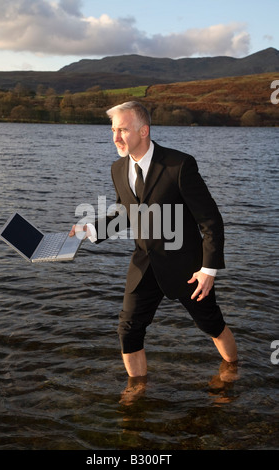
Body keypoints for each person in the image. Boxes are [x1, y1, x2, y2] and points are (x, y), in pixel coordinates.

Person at [69, 101, 238, 381]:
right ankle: (137, 391)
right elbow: (126, 210)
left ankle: (232, 371)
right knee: (129, 329)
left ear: (144, 130)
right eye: (113, 130)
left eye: (122, 129)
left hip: (187, 266)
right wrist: (92, 229)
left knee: (211, 324)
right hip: (144, 262)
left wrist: (209, 270)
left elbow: (210, 220)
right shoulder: (118, 169)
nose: (115, 137)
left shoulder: (179, 165)